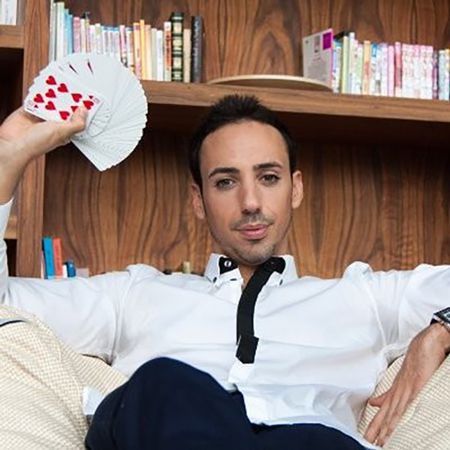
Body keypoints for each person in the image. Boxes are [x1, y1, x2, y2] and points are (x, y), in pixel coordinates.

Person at [0, 95, 449, 450]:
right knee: (161, 385)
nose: (250, 202)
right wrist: (6, 162)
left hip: (309, 441)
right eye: (226, 182)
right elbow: (6, 313)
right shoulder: (135, 294)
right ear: (198, 200)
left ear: (295, 189)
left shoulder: (364, 298)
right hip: (173, 428)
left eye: (268, 178)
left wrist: (441, 330)